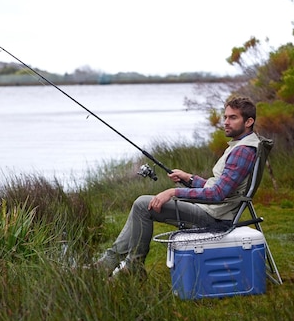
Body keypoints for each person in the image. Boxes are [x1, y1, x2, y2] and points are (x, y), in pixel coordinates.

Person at [95, 96, 261, 277]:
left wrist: (173, 192)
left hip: (215, 218)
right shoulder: (244, 145)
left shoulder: (242, 151)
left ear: (248, 121)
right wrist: (189, 178)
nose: (226, 122)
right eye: (225, 117)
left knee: (143, 205)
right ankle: (112, 264)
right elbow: (221, 186)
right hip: (215, 210)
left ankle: (127, 266)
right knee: (142, 205)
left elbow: (218, 194)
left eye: (233, 118)